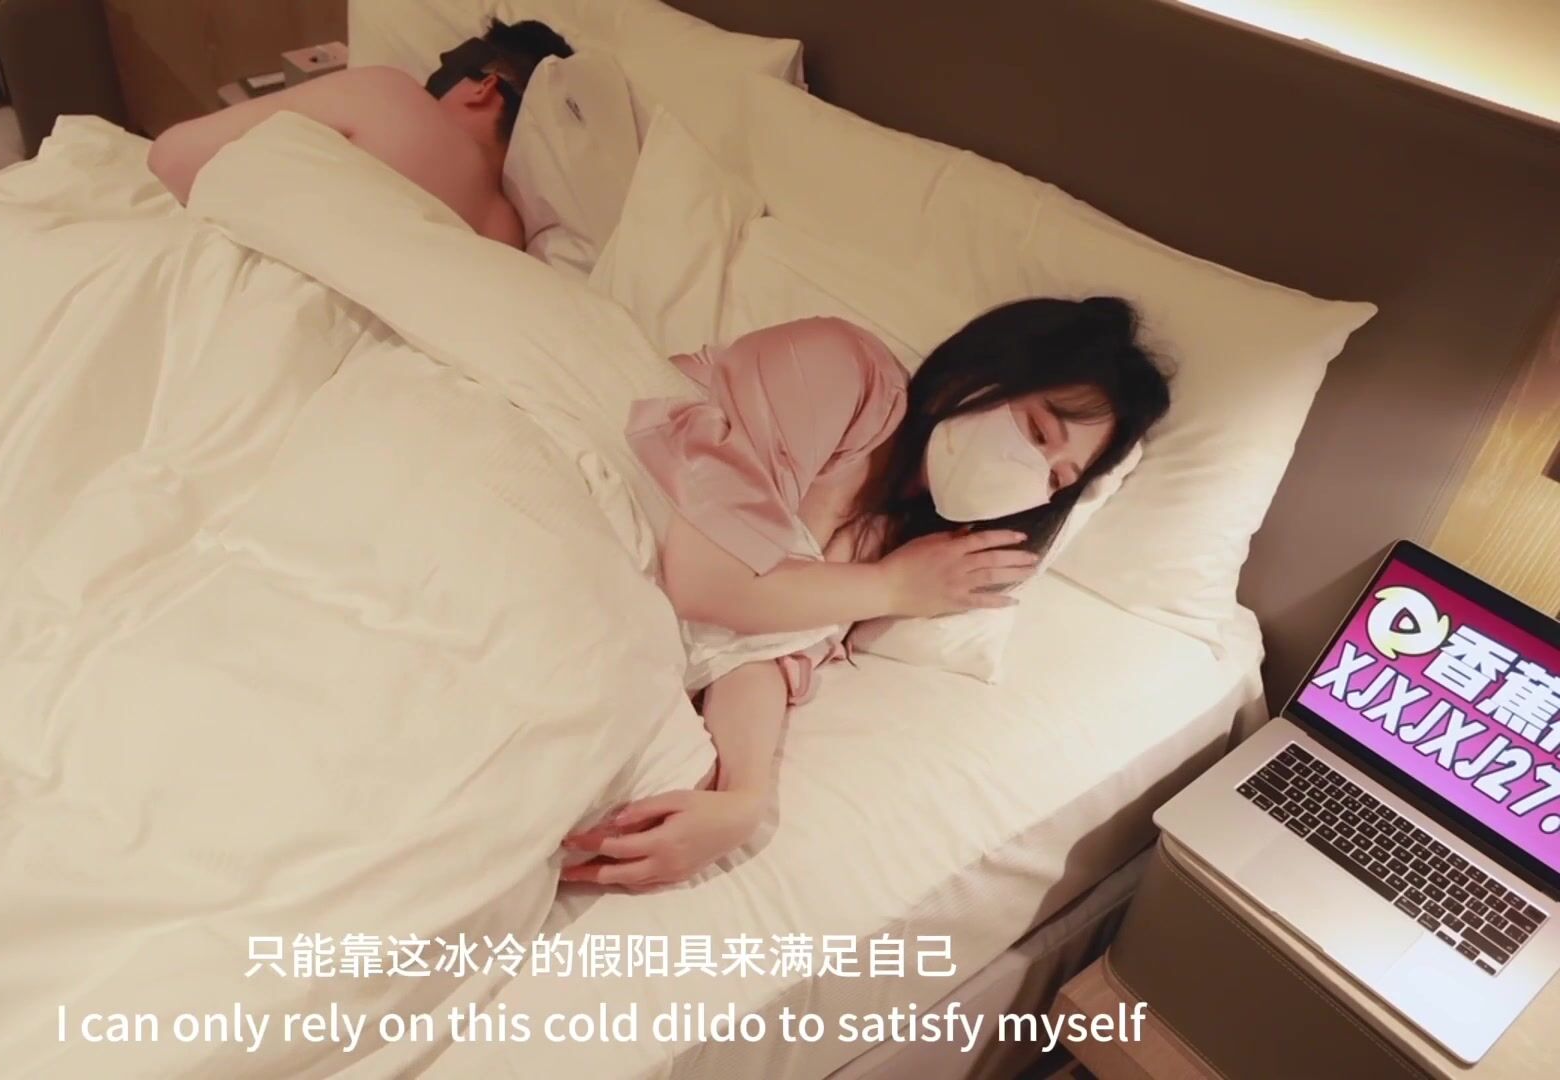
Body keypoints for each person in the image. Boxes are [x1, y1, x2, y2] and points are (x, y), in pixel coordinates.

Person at [561, 298, 1172, 890]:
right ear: (981, 373)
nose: (1033, 473)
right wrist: (893, 588)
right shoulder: (845, 372)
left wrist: (745, 798)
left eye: (1057, 478)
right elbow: (708, 582)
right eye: (1037, 431)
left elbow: (754, 650)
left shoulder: (893, 541)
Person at [146, 18, 572, 246]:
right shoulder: (507, 232)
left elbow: (172, 157)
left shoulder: (392, 95)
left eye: (444, 74)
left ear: (484, 87)